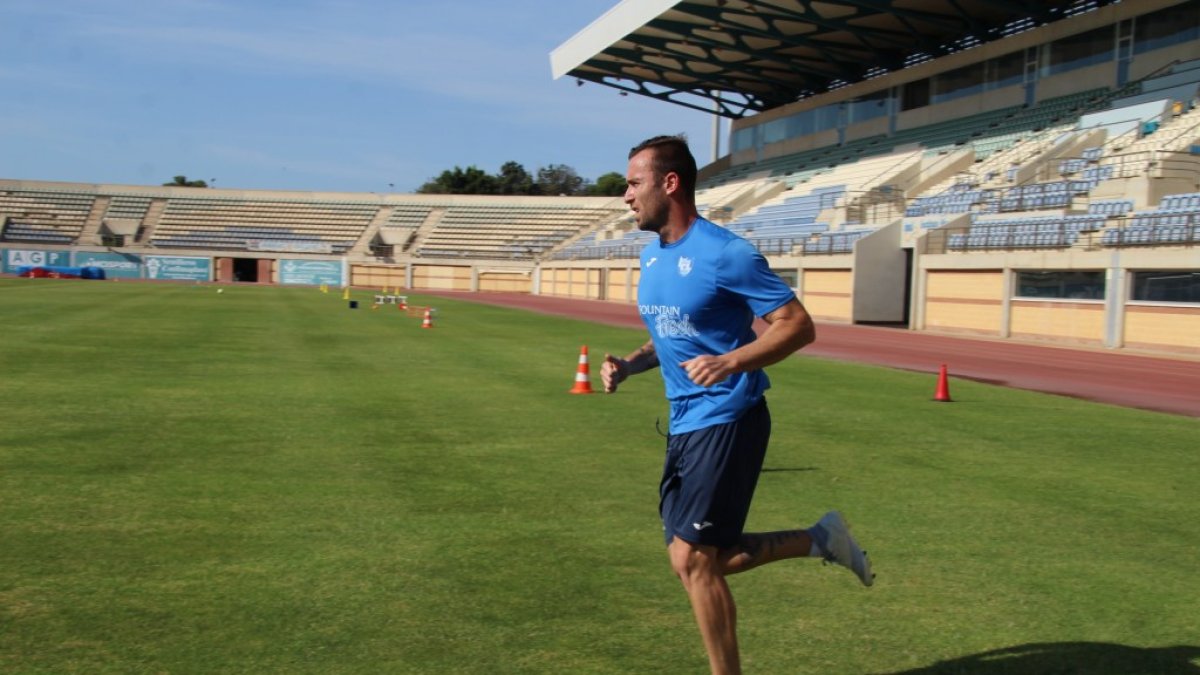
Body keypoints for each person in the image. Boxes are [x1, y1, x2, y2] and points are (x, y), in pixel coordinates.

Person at [601, 135, 873, 675]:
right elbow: (674, 335)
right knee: (691, 559)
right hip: (686, 424)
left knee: (697, 561)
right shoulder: (654, 256)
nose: (626, 196)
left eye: (634, 183)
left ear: (669, 183)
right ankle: (820, 538)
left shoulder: (727, 253)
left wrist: (732, 363)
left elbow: (798, 326)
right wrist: (630, 365)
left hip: (729, 416)